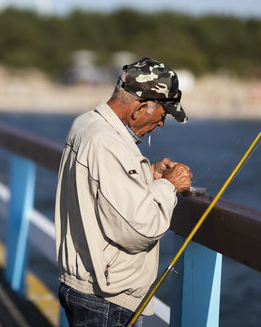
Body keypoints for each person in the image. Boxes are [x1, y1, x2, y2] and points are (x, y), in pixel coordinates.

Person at [55, 57, 193, 327]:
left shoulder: (86, 124)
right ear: (140, 107)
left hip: (83, 285)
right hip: (105, 300)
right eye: (163, 115)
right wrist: (168, 186)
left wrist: (147, 174)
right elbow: (138, 229)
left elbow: (100, 190)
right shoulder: (107, 143)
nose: (162, 124)